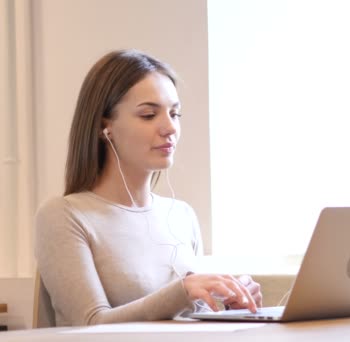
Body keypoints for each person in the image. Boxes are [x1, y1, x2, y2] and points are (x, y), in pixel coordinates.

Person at [34, 49, 262, 326]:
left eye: (175, 113)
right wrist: (183, 291)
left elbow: (189, 322)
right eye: (148, 115)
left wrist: (230, 305)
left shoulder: (182, 215)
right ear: (103, 126)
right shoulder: (63, 215)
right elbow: (90, 322)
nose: (169, 127)